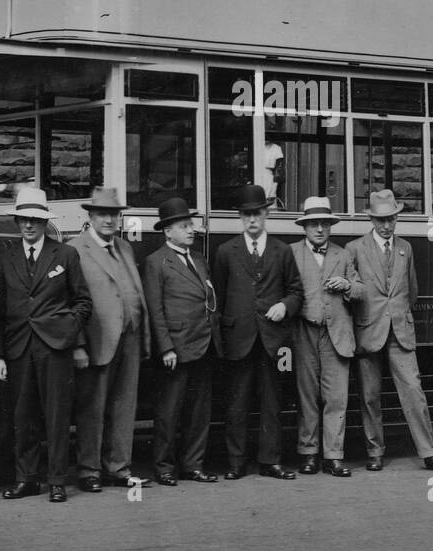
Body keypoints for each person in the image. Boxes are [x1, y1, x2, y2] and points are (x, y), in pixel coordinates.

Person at [0, 188, 93, 504]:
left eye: (35, 220)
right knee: (23, 416)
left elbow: (83, 302)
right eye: (24, 219)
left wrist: (67, 328)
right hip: (19, 347)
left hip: (54, 347)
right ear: (17, 221)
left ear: (44, 222)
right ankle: (27, 479)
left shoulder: (64, 254)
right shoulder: (6, 257)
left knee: (57, 415)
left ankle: (57, 480)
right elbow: (2, 311)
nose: (29, 226)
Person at [350, 189, 433, 474]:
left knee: (413, 392)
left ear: (397, 218)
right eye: (381, 219)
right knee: (369, 395)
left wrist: (397, 315)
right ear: (371, 219)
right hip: (369, 331)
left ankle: (429, 453)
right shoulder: (355, 249)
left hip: (400, 332)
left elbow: (412, 291)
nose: (386, 225)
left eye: (391, 219)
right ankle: (375, 452)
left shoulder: (405, 248)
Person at [212, 184, 304, 480]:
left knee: (271, 402)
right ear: (241, 217)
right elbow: (219, 300)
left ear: (266, 214)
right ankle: (236, 463)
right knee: (237, 404)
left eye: (257, 214)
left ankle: (270, 461)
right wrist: (222, 342)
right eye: (246, 215)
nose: (252, 220)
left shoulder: (282, 251)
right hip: (238, 339)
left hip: (272, 339)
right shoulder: (226, 252)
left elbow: (296, 292)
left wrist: (284, 306)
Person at [69, 187, 151, 491]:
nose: (109, 219)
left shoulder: (125, 248)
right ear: (90, 216)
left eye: (114, 214)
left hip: (129, 338)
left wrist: (143, 336)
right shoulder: (75, 249)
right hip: (96, 340)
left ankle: (118, 466)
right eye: (103, 213)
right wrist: (78, 344)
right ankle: (89, 470)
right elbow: (71, 301)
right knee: (93, 407)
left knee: (124, 405)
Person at [142, 196, 219, 486]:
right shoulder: (156, 262)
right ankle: (163, 467)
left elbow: (208, 298)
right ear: (167, 231)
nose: (191, 230)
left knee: (199, 412)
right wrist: (166, 348)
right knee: (169, 412)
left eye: (191, 225)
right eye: (184, 226)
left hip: (203, 344)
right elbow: (155, 308)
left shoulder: (199, 259)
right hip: (175, 348)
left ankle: (193, 465)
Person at [289, 197, 362, 477]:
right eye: (313, 224)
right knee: (307, 396)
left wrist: (346, 285)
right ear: (304, 227)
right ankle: (308, 454)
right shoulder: (292, 253)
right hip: (304, 332)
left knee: (336, 398)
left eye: (324, 224)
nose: (319, 229)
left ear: (330, 227)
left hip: (337, 335)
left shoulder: (343, 255)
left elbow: (361, 290)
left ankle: (333, 456)